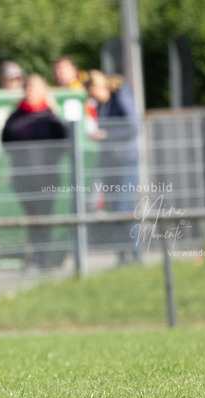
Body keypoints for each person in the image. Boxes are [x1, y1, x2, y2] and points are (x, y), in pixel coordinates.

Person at [1, 73, 69, 269]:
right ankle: (37, 257)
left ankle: (44, 257)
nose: (29, 92)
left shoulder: (51, 118)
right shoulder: (16, 117)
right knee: (32, 218)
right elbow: (6, 143)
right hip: (22, 177)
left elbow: (64, 144)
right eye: (27, 88)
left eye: (34, 88)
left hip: (47, 177)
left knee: (44, 217)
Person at [86, 70, 141, 262]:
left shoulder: (121, 95)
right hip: (110, 162)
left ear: (101, 87)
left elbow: (133, 126)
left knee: (124, 209)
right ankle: (121, 258)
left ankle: (137, 256)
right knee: (113, 209)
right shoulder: (102, 104)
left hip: (126, 161)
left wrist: (106, 134)